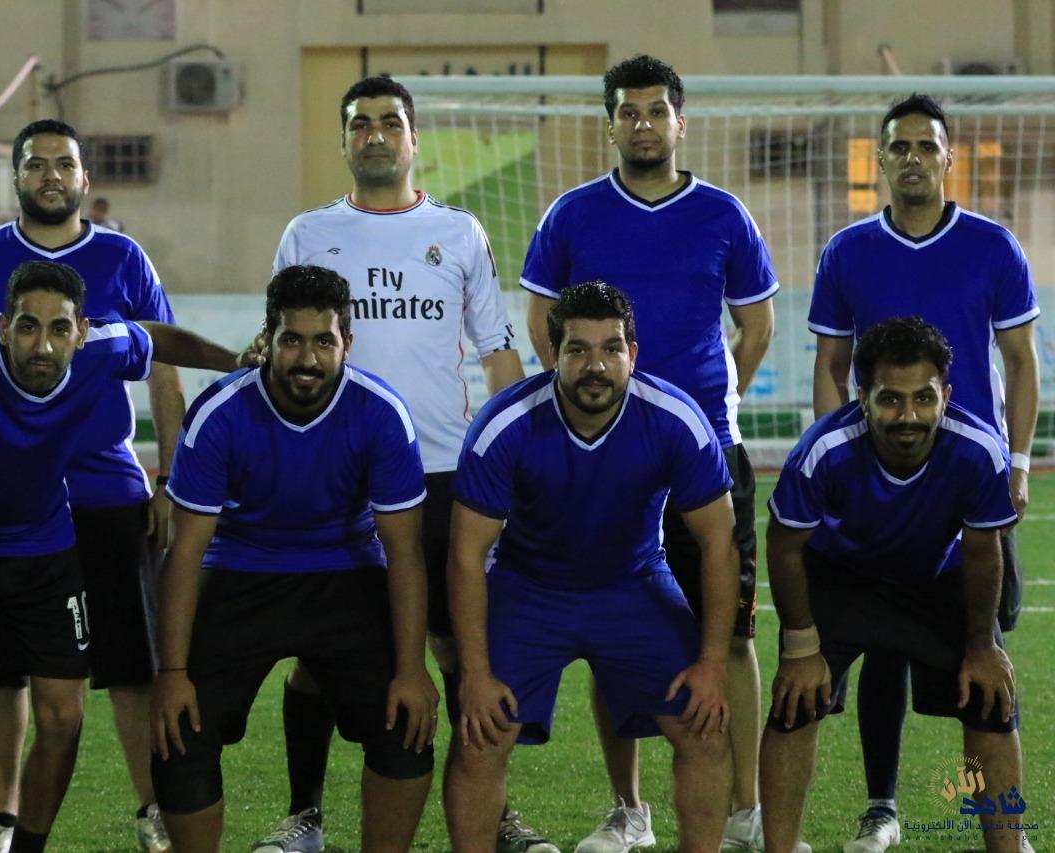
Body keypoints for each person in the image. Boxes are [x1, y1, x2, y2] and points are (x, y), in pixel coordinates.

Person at [0, 260, 243, 853]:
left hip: (44, 550)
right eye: (27, 326)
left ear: (81, 332)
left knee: (63, 719)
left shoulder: (105, 347)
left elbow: (158, 339)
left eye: (58, 329)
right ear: (3, 327)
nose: (41, 345)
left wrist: (238, 362)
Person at [0, 119, 187, 853]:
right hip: (0, 505)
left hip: (106, 495)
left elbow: (162, 368)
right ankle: (3, 820)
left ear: (85, 178)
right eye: (36, 164)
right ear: (18, 178)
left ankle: (152, 809)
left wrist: (171, 477)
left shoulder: (123, 257)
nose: (51, 175)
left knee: (132, 667)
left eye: (65, 164)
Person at [520, 55, 778, 851]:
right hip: (605, 461)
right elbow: (540, 320)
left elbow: (757, 326)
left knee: (731, 632)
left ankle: (745, 809)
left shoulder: (725, 215)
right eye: (628, 112)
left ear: (679, 121)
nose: (643, 123)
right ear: (610, 125)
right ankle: (629, 807)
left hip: (708, 455)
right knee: (611, 625)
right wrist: (585, 407)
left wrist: (707, 411)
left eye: (656, 110)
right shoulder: (572, 214)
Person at [264, 75, 524, 852]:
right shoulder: (308, 233)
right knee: (320, 653)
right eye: (360, 124)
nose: (374, 135)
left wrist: (515, 460)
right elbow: (279, 353)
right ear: (344, 140)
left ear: (413, 139)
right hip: (334, 476)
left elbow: (497, 350)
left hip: (441, 473)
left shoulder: (461, 233)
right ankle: (304, 816)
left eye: (388, 122)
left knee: (460, 648)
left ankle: (492, 812)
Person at [809, 93, 1039, 853]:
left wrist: (1016, 461)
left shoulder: (992, 246)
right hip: (878, 479)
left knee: (983, 648)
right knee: (882, 639)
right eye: (900, 147)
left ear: (949, 157)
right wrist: (836, 465)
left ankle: (997, 821)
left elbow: (1020, 361)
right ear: (881, 159)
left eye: (926, 146)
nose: (913, 158)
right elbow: (832, 366)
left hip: (970, 485)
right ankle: (881, 809)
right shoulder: (848, 251)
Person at [148, 265, 439, 853]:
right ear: (268, 338)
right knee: (180, 734)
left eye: (323, 341)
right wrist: (172, 676)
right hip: (242, 572)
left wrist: (411, 669)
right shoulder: (219, 412)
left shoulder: (381, 413)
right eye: (292, 340)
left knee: (404, 729)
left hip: (346, 573)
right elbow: (185, 553)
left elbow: (405, 555)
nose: (307, 359)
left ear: (347, 343)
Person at [443, 282, 736, 851]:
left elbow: (719, 545)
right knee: (480, 737)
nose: (595, 365)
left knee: (703, 728)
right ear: (553, 353)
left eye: (611, 348)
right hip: (530, 590)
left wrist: (711, 663)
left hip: (634, 584)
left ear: (633, 353)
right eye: (578, 349)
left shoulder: (675, 418)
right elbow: (466, 555)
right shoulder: (506, 424)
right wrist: (475, 673)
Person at [760, 317, 1029, 853]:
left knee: (992, 700)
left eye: (923, 398)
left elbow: (983, 550)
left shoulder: (978, 450)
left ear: (945, 396)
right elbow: (785, 546)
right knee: (795, 703)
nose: (908, 416)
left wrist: (981, 645)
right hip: (843, 579)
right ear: (862, 397)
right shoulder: (822, 450)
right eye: (890, 399)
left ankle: (1007, 845)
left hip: (936, 580)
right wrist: (800, 646)